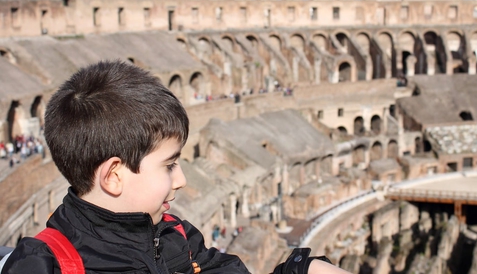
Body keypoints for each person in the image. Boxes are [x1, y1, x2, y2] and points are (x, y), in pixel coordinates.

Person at [1, 60, 350, 274]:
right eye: (169, 165)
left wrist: (302, 269)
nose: (181, 179)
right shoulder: (44, 266)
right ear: (113, 175)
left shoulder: (176, 237)